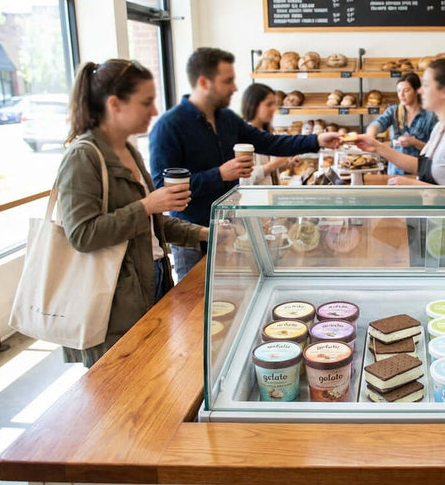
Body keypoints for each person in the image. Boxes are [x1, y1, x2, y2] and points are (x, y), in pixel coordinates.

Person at [57, 59, 208, 367]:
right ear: (114, 104)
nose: (154, 112)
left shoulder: (128, 151)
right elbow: (82, 234)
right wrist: (147, 205)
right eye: (146, 102)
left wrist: (207, 233)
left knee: (154, 375)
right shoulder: (83, 156)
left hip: (152, 278)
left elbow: (151, 226)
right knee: (120, 388)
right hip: (113, 298)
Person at [149, 47, 341, 278]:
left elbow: (270, 143)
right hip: (194, 239)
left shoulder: (227, 119)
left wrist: (317, 139)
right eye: (228, 81)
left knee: (233, 295)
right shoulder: (170, 126)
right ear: (204, 82)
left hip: (231, 230)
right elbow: (162, 187)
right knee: (195, 303)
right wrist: (219, 174)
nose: (235, 88)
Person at [355, 55, 445, 185]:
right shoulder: (442, 127)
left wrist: (412, 185)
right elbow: (422, 167)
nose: (420, 91)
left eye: (426, 85)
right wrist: (377, 147)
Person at [365, 73, 438, 176]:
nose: (401, 95)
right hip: (395, 173)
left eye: (406, 90)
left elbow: (435, 150)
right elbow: (376, 124)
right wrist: (370, 137)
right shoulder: (393, 111)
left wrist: (414, 142)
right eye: (399, 91)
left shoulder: (430, 116)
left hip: (418, 174)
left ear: (417, 90)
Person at [240, 83, 299, 185]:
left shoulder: (266, 132)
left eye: (274, 104)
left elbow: (268, 174)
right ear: (254, 105)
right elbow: (244, 181)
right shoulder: (243, 137)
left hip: (270, 197)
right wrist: (273, 164)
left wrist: (287, 164)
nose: (273, 109)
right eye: (268, 104)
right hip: (256, 199)